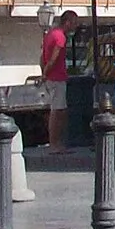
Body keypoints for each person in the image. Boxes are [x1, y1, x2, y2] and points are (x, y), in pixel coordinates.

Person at [40, 9, 76, 150]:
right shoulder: (60, 37)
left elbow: (42, 57)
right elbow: (54, 58)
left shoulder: (50, 34)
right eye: (74, 23)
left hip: (51, 78)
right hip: (57, 77)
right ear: (67, 22)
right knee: (58, 110)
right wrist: (46, 73)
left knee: (58, 109)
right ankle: (55, 144)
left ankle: (56, 143)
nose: (75, 26)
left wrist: (44, 72)